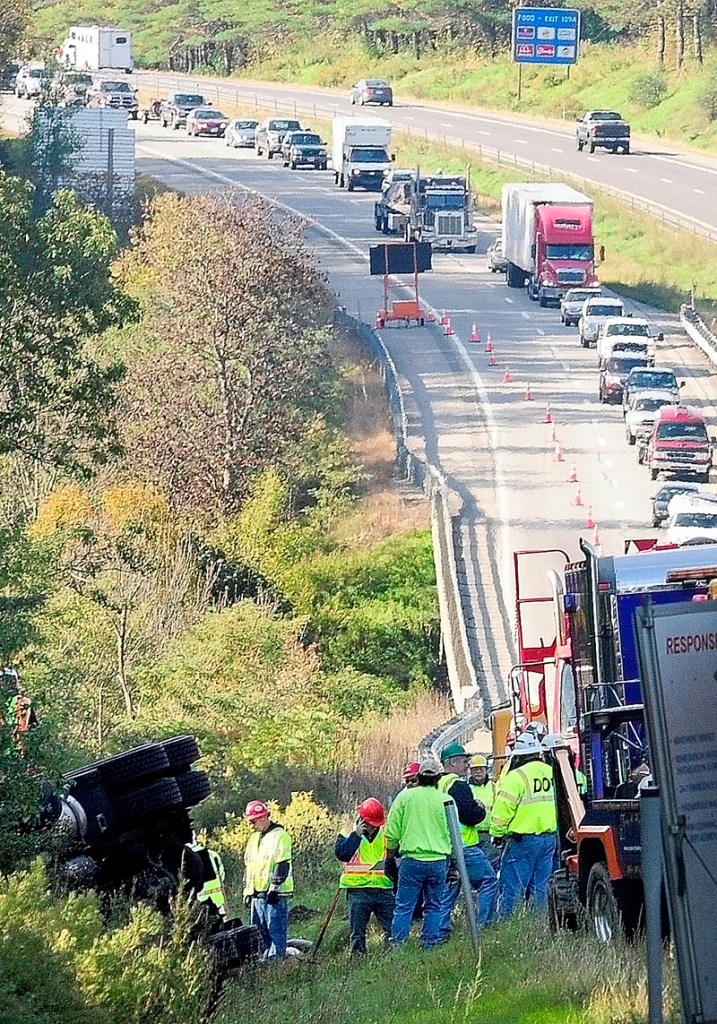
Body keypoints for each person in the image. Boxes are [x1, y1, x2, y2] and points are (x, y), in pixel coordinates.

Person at [385, 758, 453, 950]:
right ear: (438, 778)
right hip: (438, 861)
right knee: (433, 906)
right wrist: (454, 862)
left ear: (419, 777)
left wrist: (390, 854)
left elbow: (392, 830)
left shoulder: (405, 798)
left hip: (412, 861)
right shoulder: (446, 800)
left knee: (404, 907)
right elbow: (454, 834)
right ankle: (429, 945)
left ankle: (398, 945)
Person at [490, 734, 557, 919]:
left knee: (513, 886)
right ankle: (538, 926)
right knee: (540, 887)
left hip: (522, 840)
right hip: (549, 838)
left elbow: (503, 809)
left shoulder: (516, 776)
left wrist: (497, 834)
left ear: (518, 755)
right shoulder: (551, 771)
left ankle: (509, 925)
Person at [436, 743, 498, 939]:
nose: (466, 765)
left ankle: (438, 931)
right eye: (464, 761)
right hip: (465, 846)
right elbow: (468, 815)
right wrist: (479, 809)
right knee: (488, 881)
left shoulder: (436, 784)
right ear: (452, 762)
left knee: (450, 890)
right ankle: (483, 927)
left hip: (444, 847)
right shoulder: (457, 785)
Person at [334, 797, 395, 956]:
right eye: (369, 824)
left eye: (375, 826)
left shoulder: (387, 835)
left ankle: (394, 958)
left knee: (393, 929)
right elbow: (342, 854)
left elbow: (395, 861)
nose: (372, 828)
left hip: (383, 889)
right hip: (358, 890)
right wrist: (356, 835)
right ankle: (357, 961)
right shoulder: (347, 833)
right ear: (361, 819)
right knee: (357, 933)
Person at [243, 800, 293, 958]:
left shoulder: (280, 836)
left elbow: (282, 864)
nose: (251, 824)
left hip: (274, 896)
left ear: (264, 817)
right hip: (257, 895)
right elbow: (249, 867)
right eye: (250, 821)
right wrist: (247, 892)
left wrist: (275, 887)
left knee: (275, 932)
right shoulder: (253, 839)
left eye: (253, 821)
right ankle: (265, 966)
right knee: (259, 934)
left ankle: (277, 966)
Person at [469, 754, 500, 870]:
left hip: (490, 835)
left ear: (486, 770)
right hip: (472, 835)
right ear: (470, 771)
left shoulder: (494, 787)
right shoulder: (467, 789)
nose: (478, 772)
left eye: (481, 769)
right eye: (475, 769)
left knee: (491, 866)